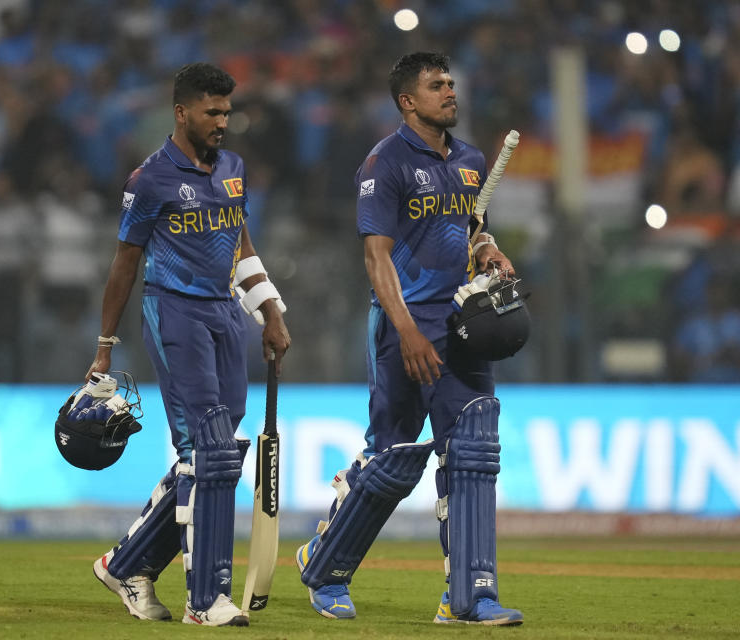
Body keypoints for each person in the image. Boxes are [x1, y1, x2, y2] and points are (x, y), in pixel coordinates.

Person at [295, 52, 523, 626]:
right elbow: (375, 257)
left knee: (473, 448)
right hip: (405, 326)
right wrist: (407, 332)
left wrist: (487, 251)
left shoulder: (470, 160)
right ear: (407, 101)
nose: (450, 92)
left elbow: (468, 231)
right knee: (393, 462)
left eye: (450, 83)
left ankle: (470, 596)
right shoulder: (384, 162)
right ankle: (324, 567)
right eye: (436, 85)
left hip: (461, 325)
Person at [84, 62, 290, 627]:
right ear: (181, 113)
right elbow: (125, 263)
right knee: (209, 452)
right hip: (174, 312)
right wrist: (105, 344)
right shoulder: (148, 179)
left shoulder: (233, 168)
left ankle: (125, 564)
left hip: (227, 315)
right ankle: (207, 601)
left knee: (220, 453)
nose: (223, 121)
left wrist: (268, 309)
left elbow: (240, 244)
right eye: (212, 111)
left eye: (227, 111)